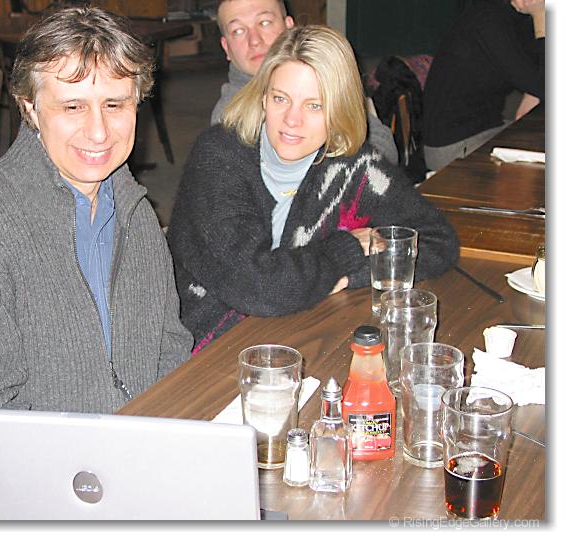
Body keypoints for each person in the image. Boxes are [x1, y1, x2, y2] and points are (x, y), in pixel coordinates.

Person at [0, 7, 193, 519]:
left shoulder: (136, 211)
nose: (99, 132)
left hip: (124, 476)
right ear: (31, 108)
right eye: (73, 106)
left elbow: (169, 349)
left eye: (115, 104)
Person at [167, 25, 459, 350]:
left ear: (339, 109)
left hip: (298, 329)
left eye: (314, 105)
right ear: (262, 98)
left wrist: (349, 275)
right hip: (207, 344)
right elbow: (259, 288)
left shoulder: (353, 166)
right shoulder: (219, 157)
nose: (292, 120)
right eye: (280, 99)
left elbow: (435, 240)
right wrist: (344, 252)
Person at [210, 0, 399, 165]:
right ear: (226, 47)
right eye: (238, 31)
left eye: (265, 23)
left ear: (289, 28)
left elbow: (382, 145)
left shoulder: (321, 76)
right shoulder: (229, 120)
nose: (254, 40)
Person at [422, 0, 545, 172]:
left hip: (486, 129)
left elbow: (538, 74)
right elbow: (544, 85)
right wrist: (541, 17)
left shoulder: (516, 17)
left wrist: (532, 92)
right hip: (454, 147)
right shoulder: (488, 19)